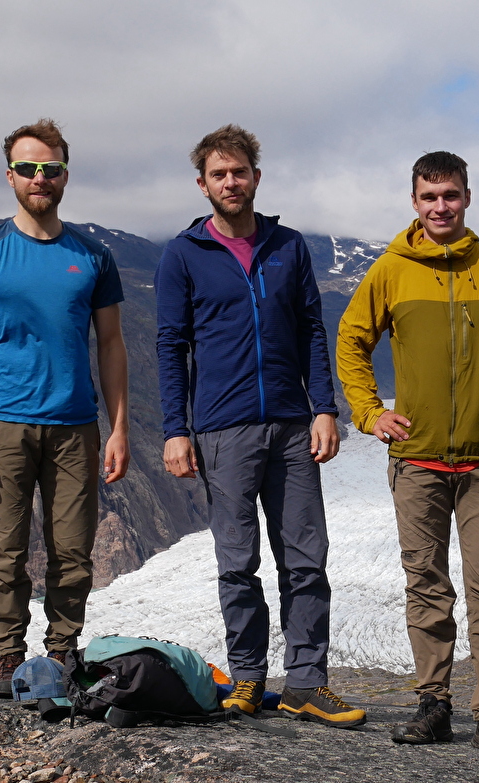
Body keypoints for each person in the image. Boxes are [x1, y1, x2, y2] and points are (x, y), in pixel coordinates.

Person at [337, 151, 479, 761]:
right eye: (430, 197)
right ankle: (433, 704)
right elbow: (352, 342)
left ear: (468, 198)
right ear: (414, 202)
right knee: (426, 586)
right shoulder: (391, 271)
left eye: (451, 196)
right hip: (417, 461)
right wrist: (368, 411)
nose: (441, 207)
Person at [156, 124, 365, 728]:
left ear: (255, 177)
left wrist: (323, 407)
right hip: (222, 430)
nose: (230, 182)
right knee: (236, 559)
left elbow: (311, 333)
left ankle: (306, 683)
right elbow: (171, 346)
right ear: (203, 184)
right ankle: (247, 676)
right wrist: (177, 428)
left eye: (239, 172)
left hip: (292, 427)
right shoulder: (182, 254)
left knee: (305, 558)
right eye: (219, 175)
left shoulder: (288, 246)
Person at [0, 118, 130, 697]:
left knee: (73, 551)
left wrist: (120, 428)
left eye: (50, 169)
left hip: (76, 425)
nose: (39, 178)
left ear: (65, 175)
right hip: (5, 420)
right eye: (28, 168)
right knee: (7, 548)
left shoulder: (93, 256)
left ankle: (64, 654)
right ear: (10, 176)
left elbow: (112, 343)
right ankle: (6, 657)